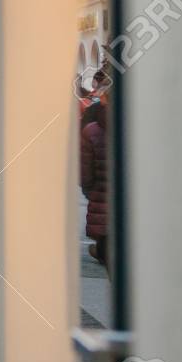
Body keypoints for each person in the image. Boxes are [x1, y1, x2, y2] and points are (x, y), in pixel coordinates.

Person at [79, 101, 109, 272]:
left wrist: (89, 191)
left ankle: (101, 251)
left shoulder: (91, 131)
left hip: (100, 199)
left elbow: (85, 175)